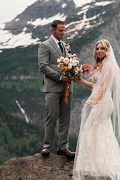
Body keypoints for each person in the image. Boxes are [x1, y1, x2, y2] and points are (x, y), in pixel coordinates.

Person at [73, 39, 120, 179]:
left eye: (102, 48)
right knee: (100, 130)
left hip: (103, 101)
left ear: (107, 51)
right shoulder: (99, 65)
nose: (99, 51)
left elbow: (104, 87)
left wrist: (95, 100)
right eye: (97, 48)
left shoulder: (109, 66)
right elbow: (95, 85)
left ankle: (95, 164)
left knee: (89, 128)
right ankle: (95, 163)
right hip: (99, 98)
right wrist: (80, 81)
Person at [38, 20, 75, 159]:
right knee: (51, 116)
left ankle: (63, 147)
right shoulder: (44, 45)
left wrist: (75, 71)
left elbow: (70, 62)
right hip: (52, 87)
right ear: (53, 30)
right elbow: (43, 66)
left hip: (67, 87)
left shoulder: (66, 46)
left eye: (64, 30)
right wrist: (59, 77)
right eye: (60, 30)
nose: (63, 33)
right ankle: (46, 147)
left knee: (65, 117)